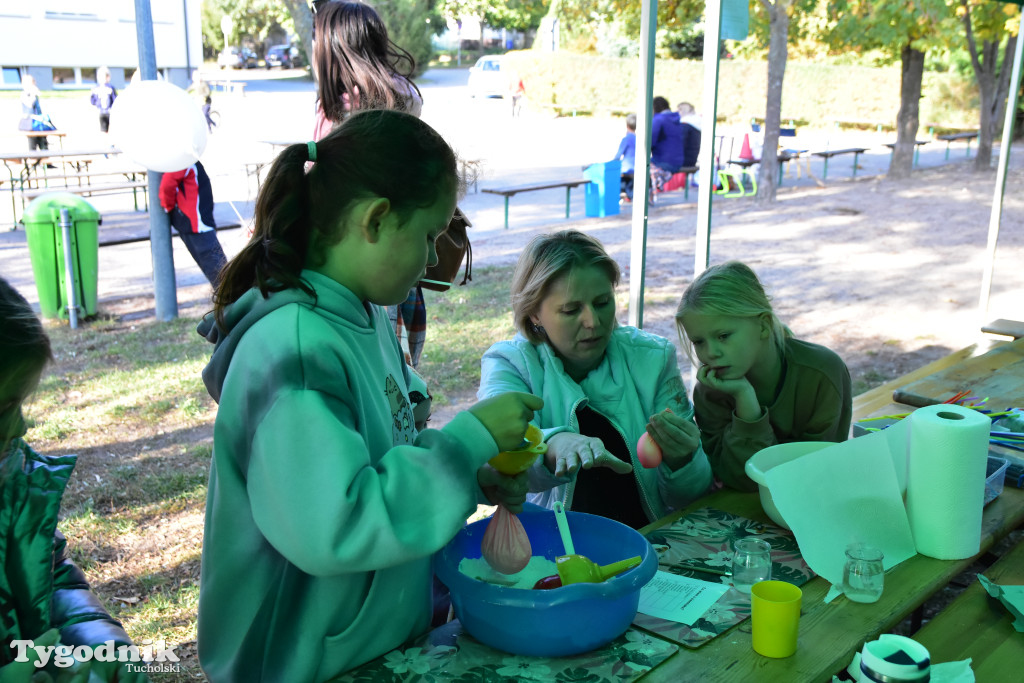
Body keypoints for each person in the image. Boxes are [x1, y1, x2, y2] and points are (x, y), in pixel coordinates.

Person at [195, 109, 543, 681]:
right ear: (376, 220)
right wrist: (464, 444)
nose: (434, 258)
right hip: (299, 663)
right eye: (429, 235)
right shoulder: (297, 348)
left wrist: (470, 473)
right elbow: (335, 522)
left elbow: (382, 450)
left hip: (368, 647)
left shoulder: (364, 314)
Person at [478, 230, 713, 529]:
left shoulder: (652, 360)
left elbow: (689, 498)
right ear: (534, 313)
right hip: (549, 548)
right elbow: (499, 461)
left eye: (602, 302)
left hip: (645, 542)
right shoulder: (508, 364)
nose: (593, 321)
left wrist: (685, 461)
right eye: (571, 309)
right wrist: (553, 445)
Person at [0, 277, 144, 682]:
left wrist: (98, 641)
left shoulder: (13, 485)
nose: (21, 426)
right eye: (6, 406)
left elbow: (51, 582)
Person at [311, 0, 430, 367]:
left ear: (332, 48)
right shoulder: (402, 99)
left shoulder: (346, 113)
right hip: (396, 255)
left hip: (355, 264)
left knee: (370, 366)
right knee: (394, 370)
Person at [675, 261, 852, 492]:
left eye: (723, 336)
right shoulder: (710, 390)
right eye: (699, 341)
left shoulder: (822, 374)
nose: (711, 353)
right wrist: (745, 401)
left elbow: (811, 474)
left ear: (763, 326)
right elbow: (740, 480)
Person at [158, 159, 228, 287]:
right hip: (197, 225)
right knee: (222, 276)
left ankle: (229, 300)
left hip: (197, 223)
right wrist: (167, 207)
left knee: (220, 274)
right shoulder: (182, 160)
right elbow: (167, 184)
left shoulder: (186, 159)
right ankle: (232, 302)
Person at [650, 95, 690, 191]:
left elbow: (650, 142)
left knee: (638, 166)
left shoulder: (658, 120)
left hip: (663, 162)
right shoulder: (677, 119)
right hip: (679, 161)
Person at [19, 74, 48, 152]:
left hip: (39, 122)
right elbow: (29, 105)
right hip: (30, 123)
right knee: (32, 145)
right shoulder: (24, 94)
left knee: (43, 143)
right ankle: (34, 163)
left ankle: (47, 162)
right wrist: (33, 95)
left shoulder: (36, 95)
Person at [615, 113, 637, 201]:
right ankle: (629, 193)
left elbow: (618, 156)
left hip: (627, 168)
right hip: (637, 167)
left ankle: (623, 193)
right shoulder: (639, 138)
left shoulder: (626, 139)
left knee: (617, 170)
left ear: (627, 126)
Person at [89, 66, 117, 134]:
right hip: (101, 112)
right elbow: (92, 100)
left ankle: (110, 142)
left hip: (109, 111)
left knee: (110, 128)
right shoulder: (96, 88)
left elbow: (115, 99)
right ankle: (107, 142)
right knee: (104, 129)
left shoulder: (110, 88)